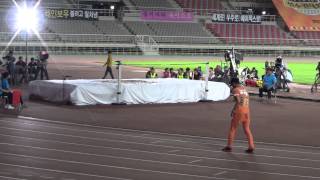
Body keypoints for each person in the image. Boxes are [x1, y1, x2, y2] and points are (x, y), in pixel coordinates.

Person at [222, 77, 255, 153]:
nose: (231, 85)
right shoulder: (244, 89)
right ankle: (251, 146)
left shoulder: (235, 90)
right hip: (247, 111)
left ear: (234, 83)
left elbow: (238, 101)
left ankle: (229, 146)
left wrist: (233, 110)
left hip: (239, 111)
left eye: (232, 84)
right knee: (247, 129)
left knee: (233, 129)